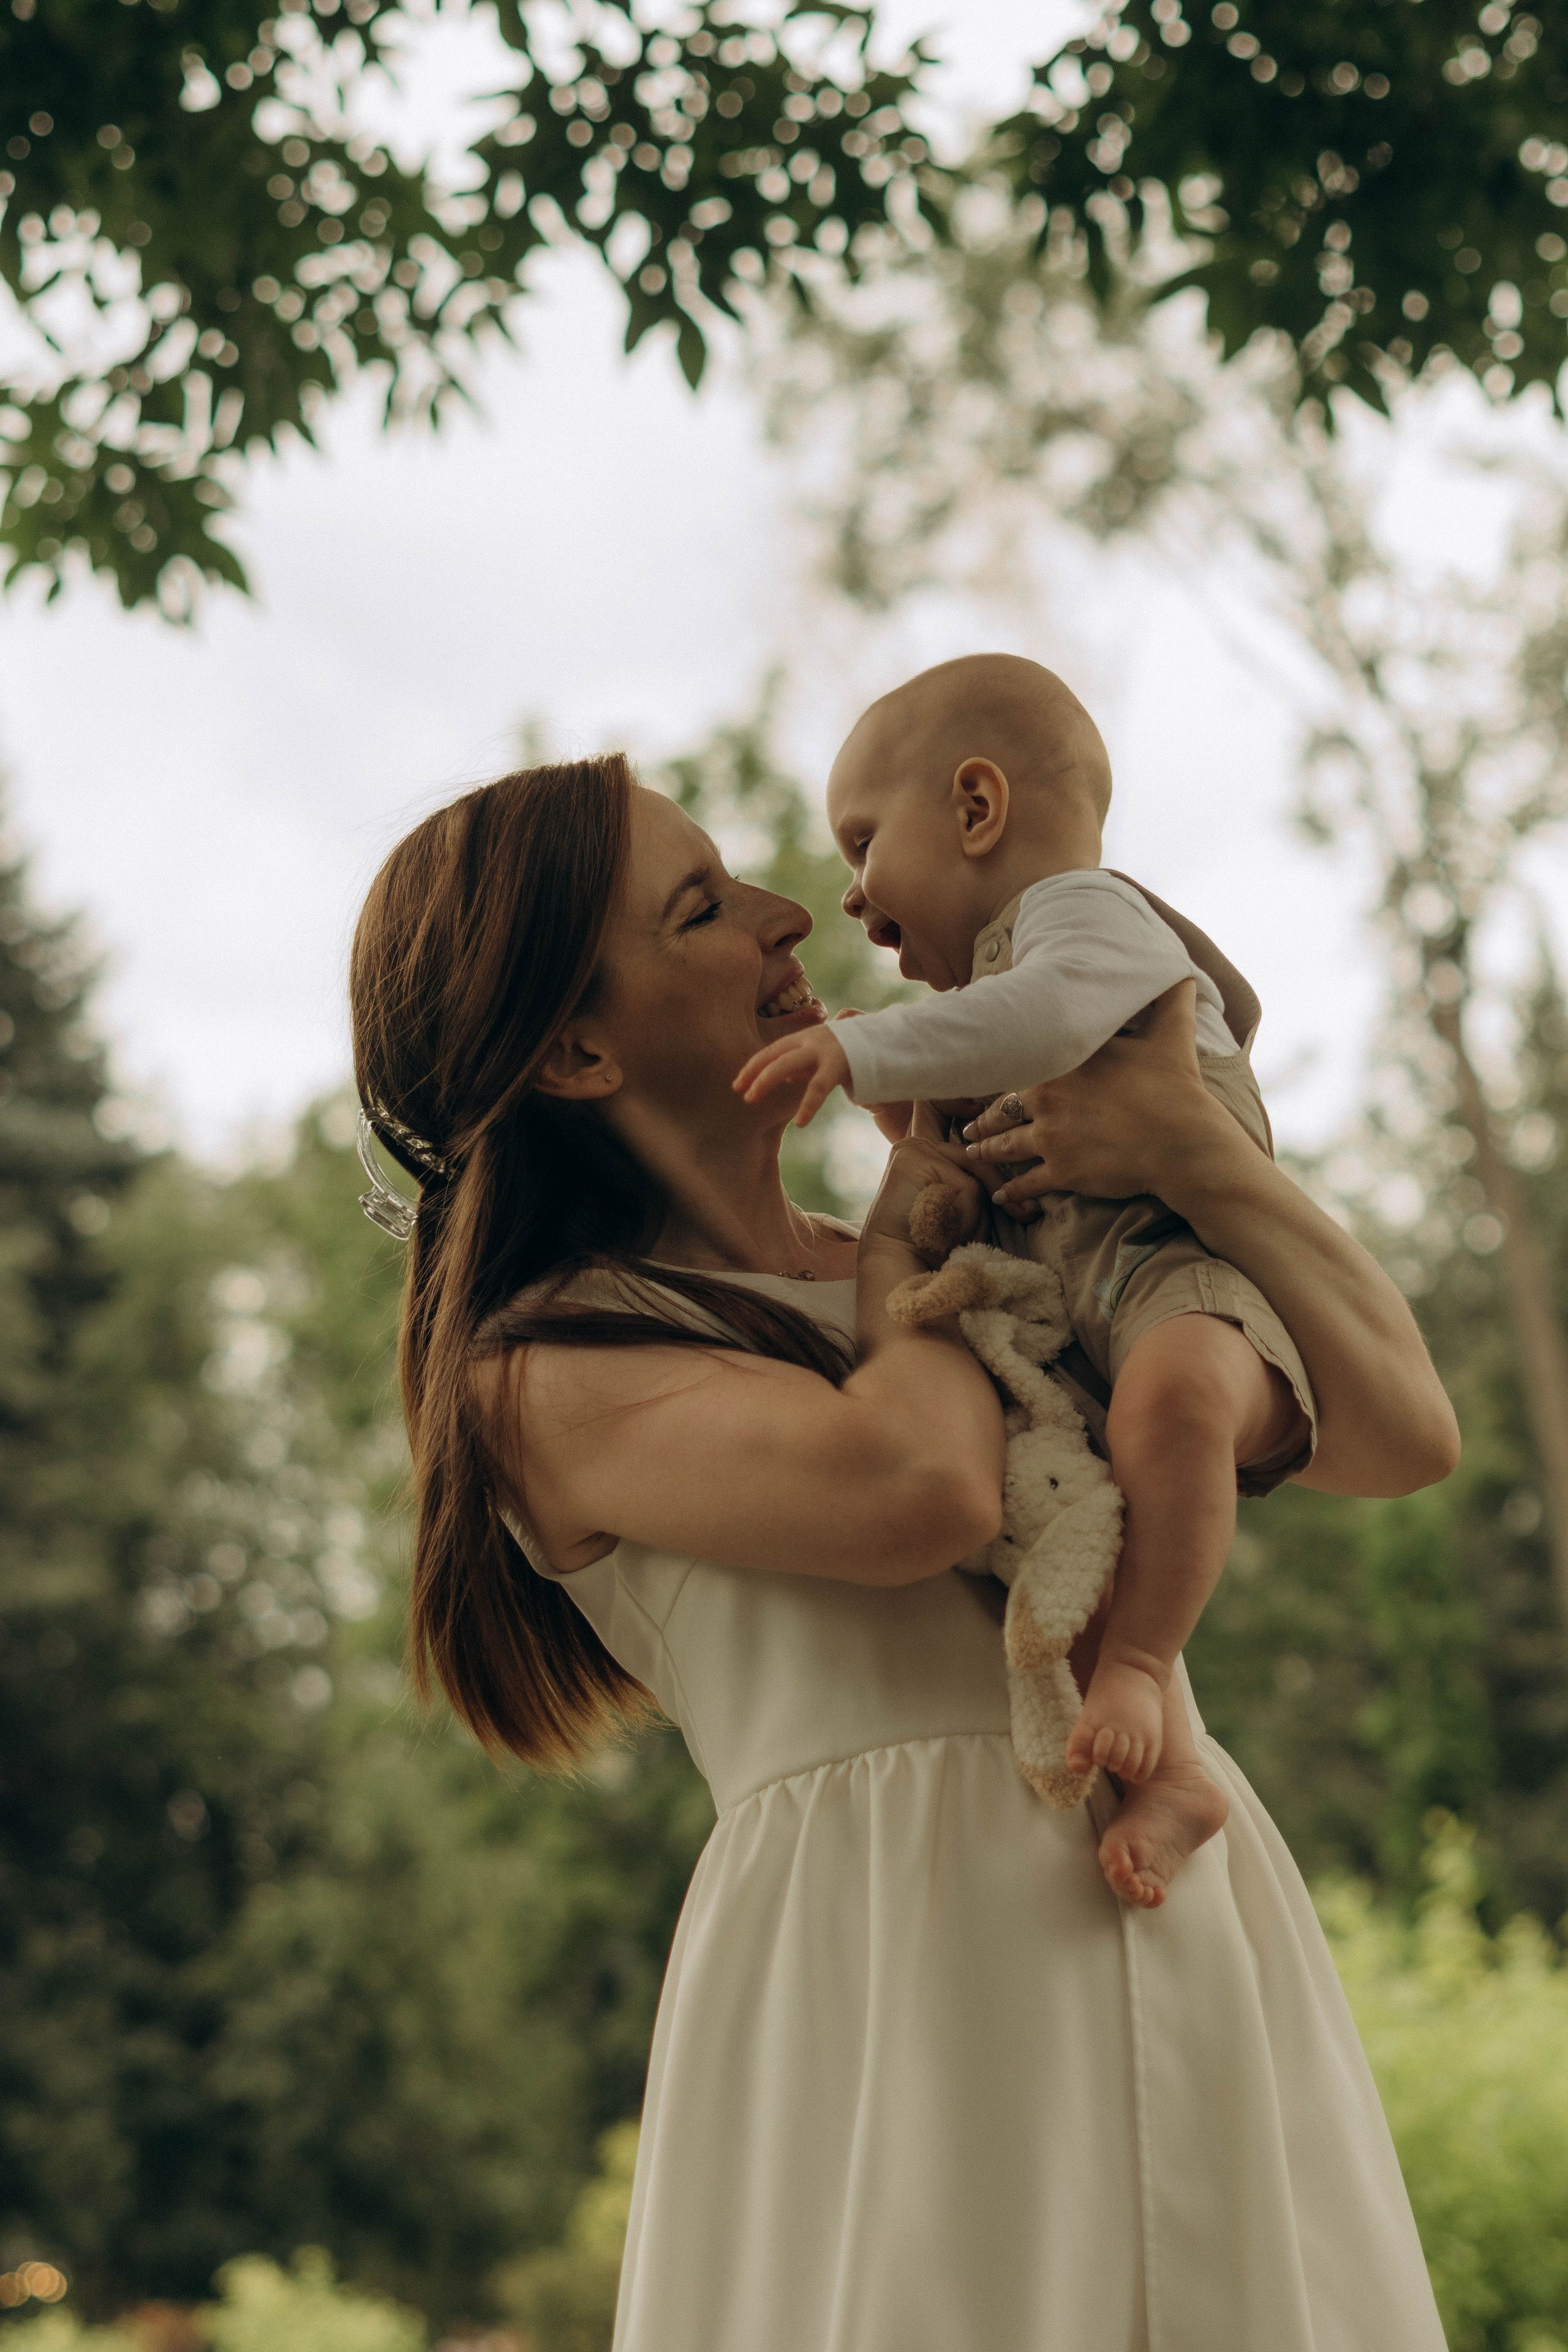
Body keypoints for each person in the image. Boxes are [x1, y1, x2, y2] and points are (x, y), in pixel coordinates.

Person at [349, 753, 1457, 2352]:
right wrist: (910, 1214)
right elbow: (920, 1487)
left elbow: (1393, 1432)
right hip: (891, 1969)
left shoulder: (978, 1239)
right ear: (579, 1044)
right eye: (703, 906)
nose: (789, 915)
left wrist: (1201, 1160)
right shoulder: (544, 1376)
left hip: (1169, 1897)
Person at [734, 652, 1311, 1906]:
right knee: (1067, 1496)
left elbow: (1046, 1024)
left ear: (978, 810)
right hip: (1074, 1292)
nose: (849, 897)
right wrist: (904, 1136)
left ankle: (1145, 1666)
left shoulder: (1080, 919)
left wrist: (856, 1049)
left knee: (1174, 1407)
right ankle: (1175, 1777)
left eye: (864, 844)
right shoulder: (980, 994)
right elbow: (949, 1137)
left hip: (1172, 1264)